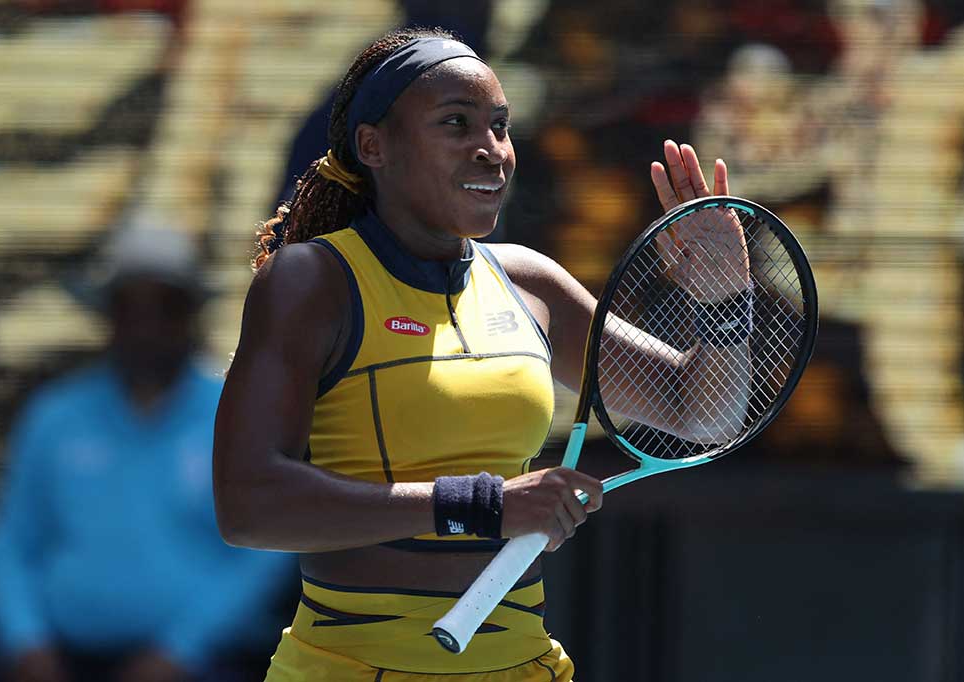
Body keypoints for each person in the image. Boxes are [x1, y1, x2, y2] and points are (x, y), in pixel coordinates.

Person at [214, 27, 750, 681]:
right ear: (373, 145)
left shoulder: (531, 283)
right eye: (456, 124)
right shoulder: (310, 282)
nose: (492, 151)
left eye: (499, 127)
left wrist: (724, 303)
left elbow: (702, 414)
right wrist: (482, 505)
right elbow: (248, 504)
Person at [0, 221, 296, 682]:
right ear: (109, 316)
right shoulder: (55, 416)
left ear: (190, 315)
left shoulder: (236, 414)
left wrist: (180, 650)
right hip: (61, 664)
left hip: (207, 666)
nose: (148, 325)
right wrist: (26, 644)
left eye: (165, 307)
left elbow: (267, 551)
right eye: (130, 307)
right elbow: (9, 543)